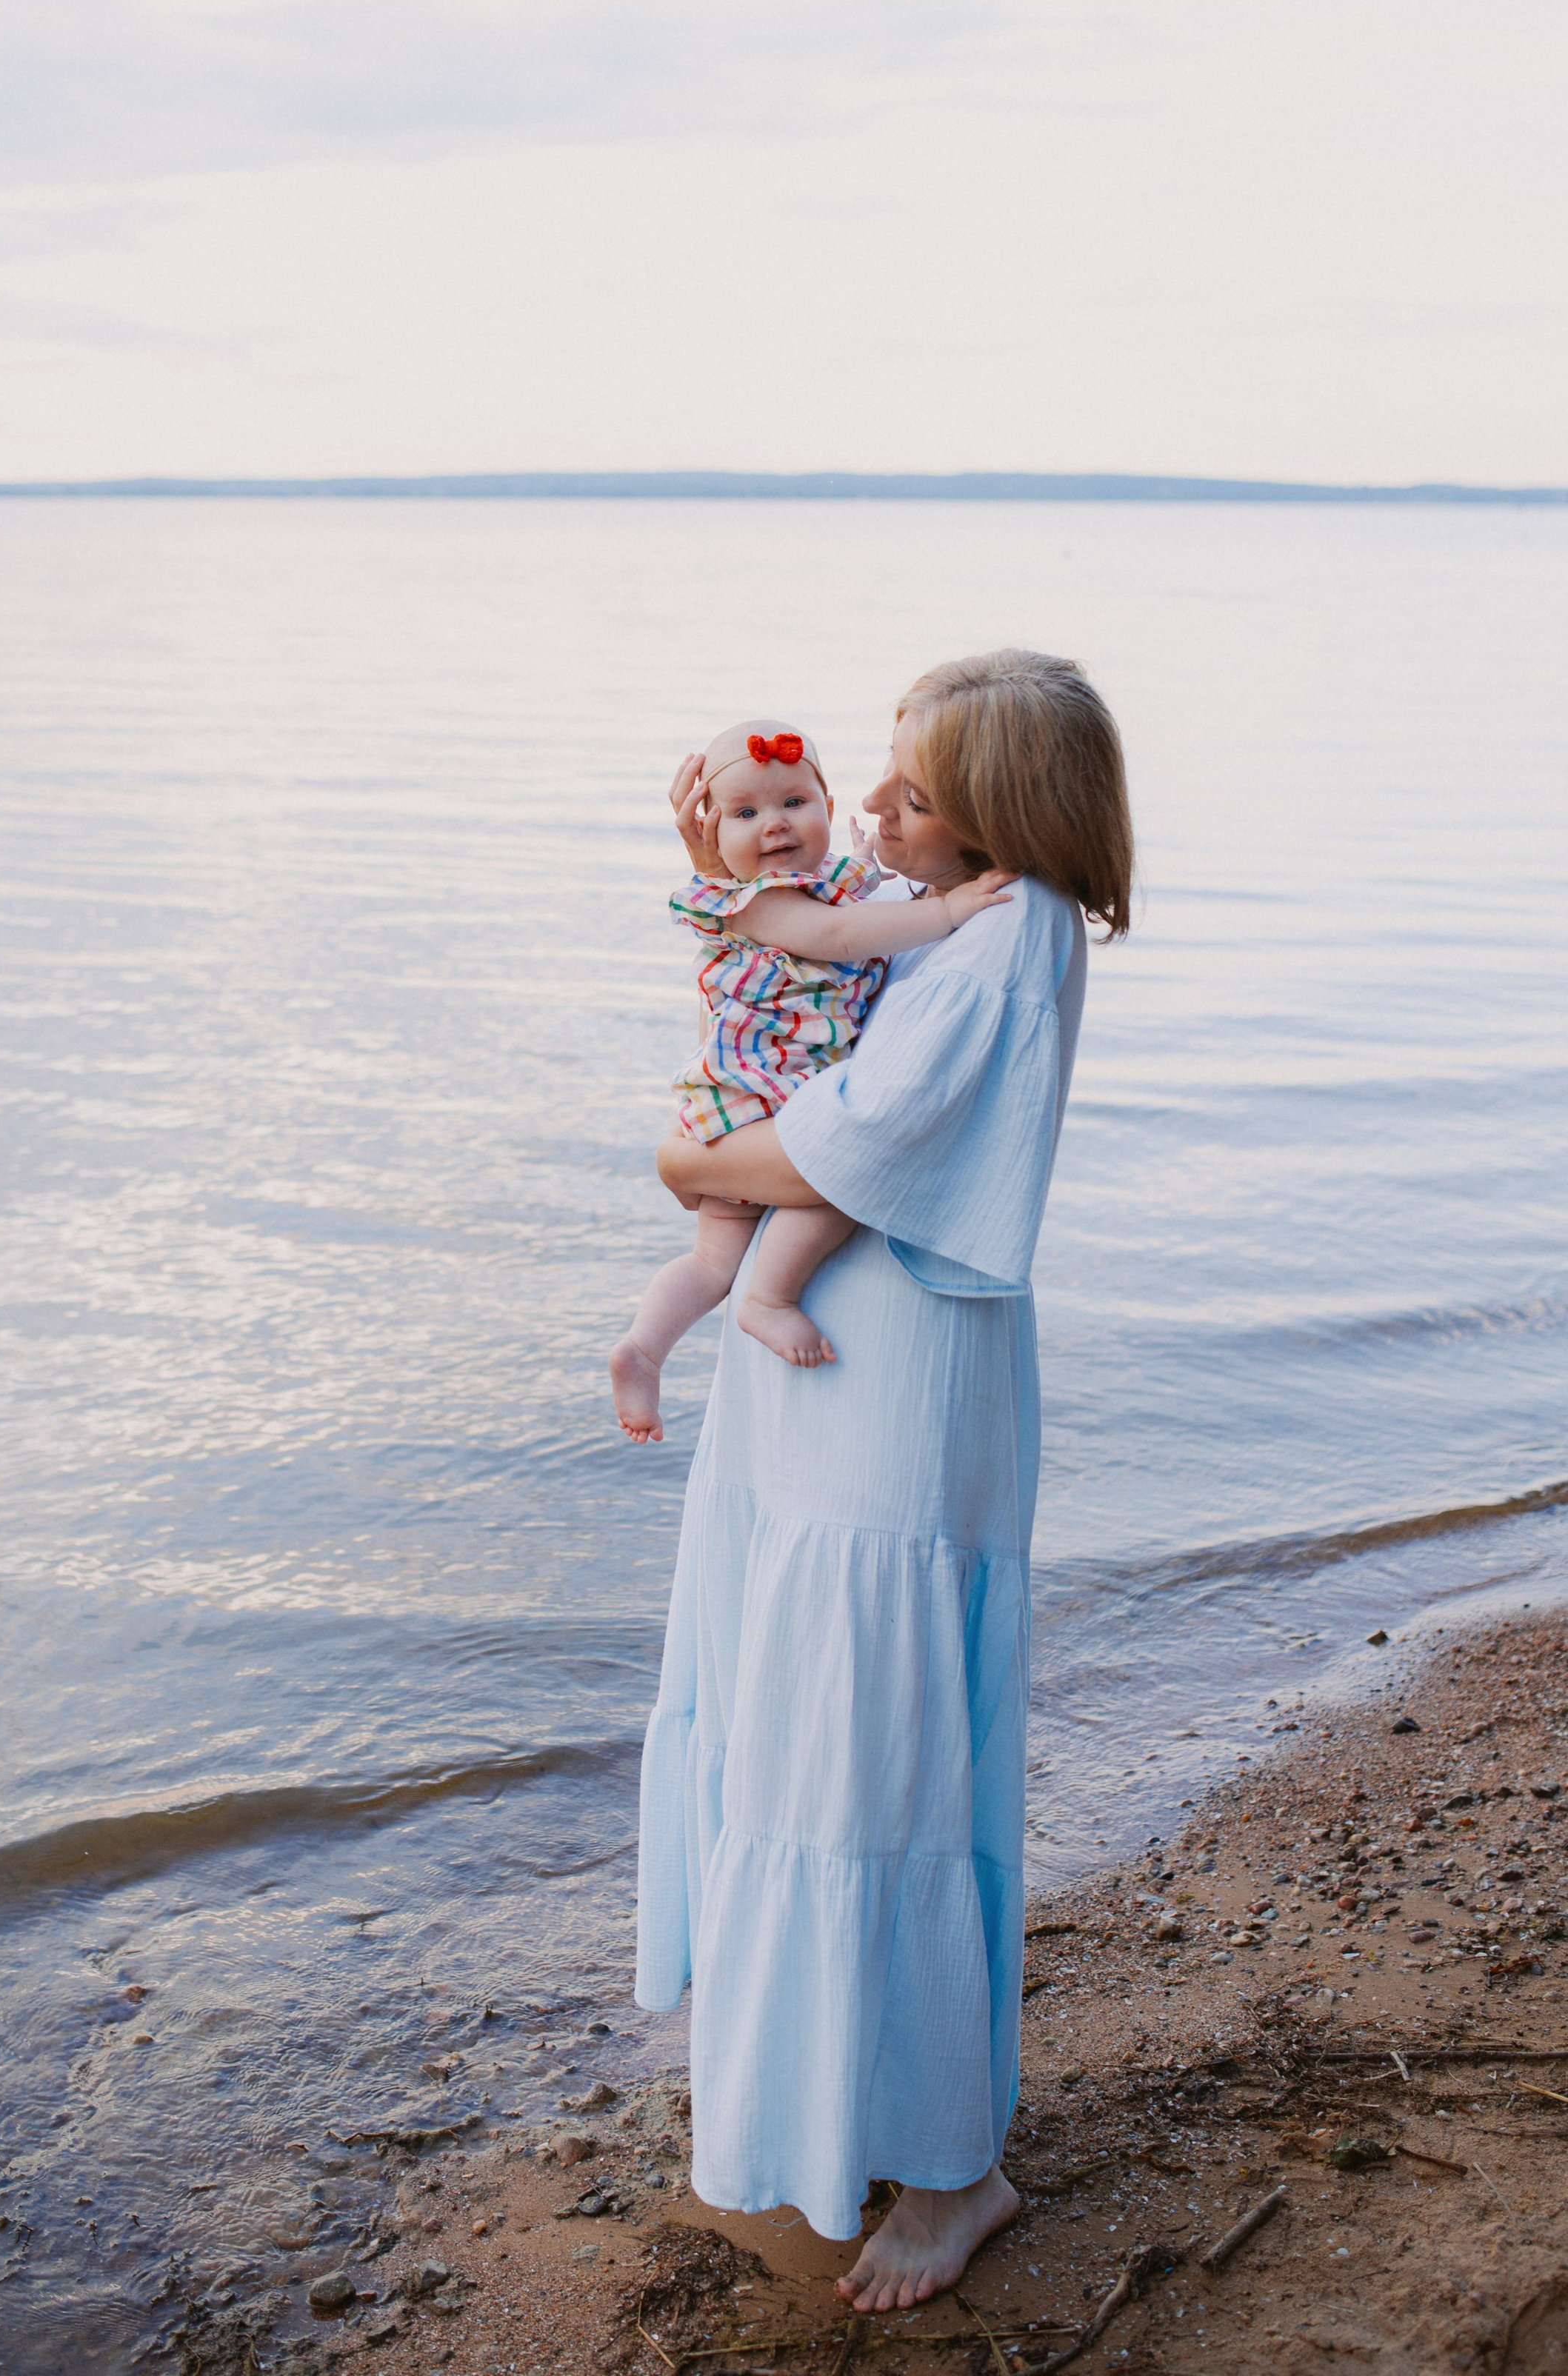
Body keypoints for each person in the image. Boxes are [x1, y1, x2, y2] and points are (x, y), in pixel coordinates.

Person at [632, 648, 1132, 2312]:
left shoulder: (1001, 937)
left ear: (994, 814)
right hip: (843, 1378)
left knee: (877, 1765)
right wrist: (714, 842)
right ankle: (853, 2102)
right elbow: (799, 993)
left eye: (909, 792)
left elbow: (839, 1141)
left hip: (893, 1391)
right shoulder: (963, 924)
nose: (869, 809)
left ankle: (948, 2167)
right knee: (815, 1741)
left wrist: (686, 1161)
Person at [609, 717, 1013, 1445]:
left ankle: (644, 1347)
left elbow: (849, 901)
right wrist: (947, 911)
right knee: (842, 1184)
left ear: (828, 803)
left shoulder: (819, 883)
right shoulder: (750, 903)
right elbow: (842, 937)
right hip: (766, 1090)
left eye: (793, 803)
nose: (773, 827)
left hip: (748, 1095)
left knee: (710, 1259)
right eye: (744, 813)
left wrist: (869, 864)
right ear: (711, 833)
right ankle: (766, 1299)